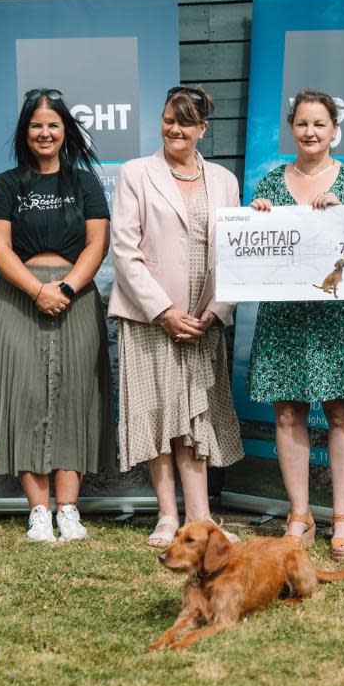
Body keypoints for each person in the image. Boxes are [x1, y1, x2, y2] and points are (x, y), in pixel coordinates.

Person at [0, 88, 115, 543]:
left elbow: (97, 245)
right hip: (17, 296)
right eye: (36, 125)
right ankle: (38, 511)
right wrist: (37, 289)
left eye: (53, 125)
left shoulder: (85, 184)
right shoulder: (6, 183)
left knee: (74, 399)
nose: (45, 132)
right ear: (26, 132)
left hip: (75, 296)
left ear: (66, 131)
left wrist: (64, 287)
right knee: (21, 399)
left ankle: (69, 510)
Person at [247, 89, 344, 560]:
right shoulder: (268, 184)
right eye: (302, 124)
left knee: (343, 414)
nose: (310, 132)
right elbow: (253, 250)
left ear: (334, 129)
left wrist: (342, 214)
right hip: (285, 317)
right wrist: (258, 219)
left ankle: (341, 516)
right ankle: (299, 514)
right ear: (292, 128)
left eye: (319, 124)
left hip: (336, 316)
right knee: (287, 414)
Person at [109, 86, 243, 548]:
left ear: (202, 129)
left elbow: (234, 251)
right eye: (169, 119)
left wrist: (215, 311)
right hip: (151, 319)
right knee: (157, 415)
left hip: (203, 320)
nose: (175, 129)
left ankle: (202, 516)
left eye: (186, 122)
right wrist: (164, 312)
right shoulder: (136, 174)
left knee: (195, 417)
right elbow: (124, 250)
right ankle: (168, 515)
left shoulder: (225, 180)